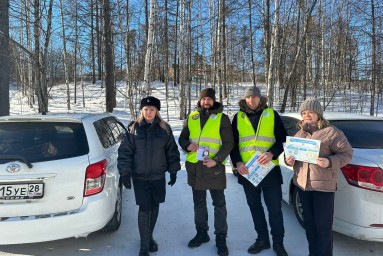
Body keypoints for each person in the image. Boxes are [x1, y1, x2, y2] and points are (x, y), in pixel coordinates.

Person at [285, 97, 353, 256]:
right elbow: (291, 155)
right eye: (304, 112)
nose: (307, 115)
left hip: (323, 187)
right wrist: (288, 160)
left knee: (323, 226)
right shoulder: (300, 132)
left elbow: (347, 154)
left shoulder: (332, 132)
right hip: (302, 186)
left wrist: (329, 161)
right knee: (309, 224)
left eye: (310, 111)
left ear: (318, 114)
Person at [117, 96, 181, 256]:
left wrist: (173, 170)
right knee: (145, 208)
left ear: (157, 111)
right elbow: (125, 152)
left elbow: (171, 151)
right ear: (141, 110)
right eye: (146, 109)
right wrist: (125, 172)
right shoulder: (134, 128)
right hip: (140, 177)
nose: (149, 112)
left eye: (152, 109)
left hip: (158, 176)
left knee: (155, 206)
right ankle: (144, 245)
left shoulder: (164, 129)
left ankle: (149, 236)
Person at [230, 86, 288, 256]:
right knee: (255, 207)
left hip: (269, 169)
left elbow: (283, 139)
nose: (251, 100)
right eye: (248, 97)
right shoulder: (238, 117)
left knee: (275, 209)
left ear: (260, 98)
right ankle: (262, 239)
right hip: (248, 171)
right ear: (245, 99)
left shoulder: (271, 114)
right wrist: (237, 162)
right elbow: (233, 144)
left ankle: (278, 243)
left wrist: (272, 153)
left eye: (254, 97)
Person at [178, 88, 234, 256]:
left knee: (219, 205)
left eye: (209, 99)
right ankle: (202, 233)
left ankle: (221, 238)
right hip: (195, 168)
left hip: (214, 168)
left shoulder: (222, 118)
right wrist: (187, 145)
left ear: (214, 100)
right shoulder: (192, 117)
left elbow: (229, 143)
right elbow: (182, 137)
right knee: (199, 203)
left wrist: (216, 160)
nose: (206, 101)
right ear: (200, 101)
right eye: (203, 99)